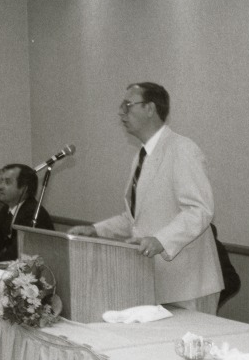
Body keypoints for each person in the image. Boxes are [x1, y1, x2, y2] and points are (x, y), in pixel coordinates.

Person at [69, 82, 223, 314]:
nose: (121, 112)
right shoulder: (141, 157)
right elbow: (135, 219)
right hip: (151, 281)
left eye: (127, 105)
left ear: (150, 108)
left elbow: (199, 210)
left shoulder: (182, 149)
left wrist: (160, 240)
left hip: (188, 284)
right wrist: (96, 230)